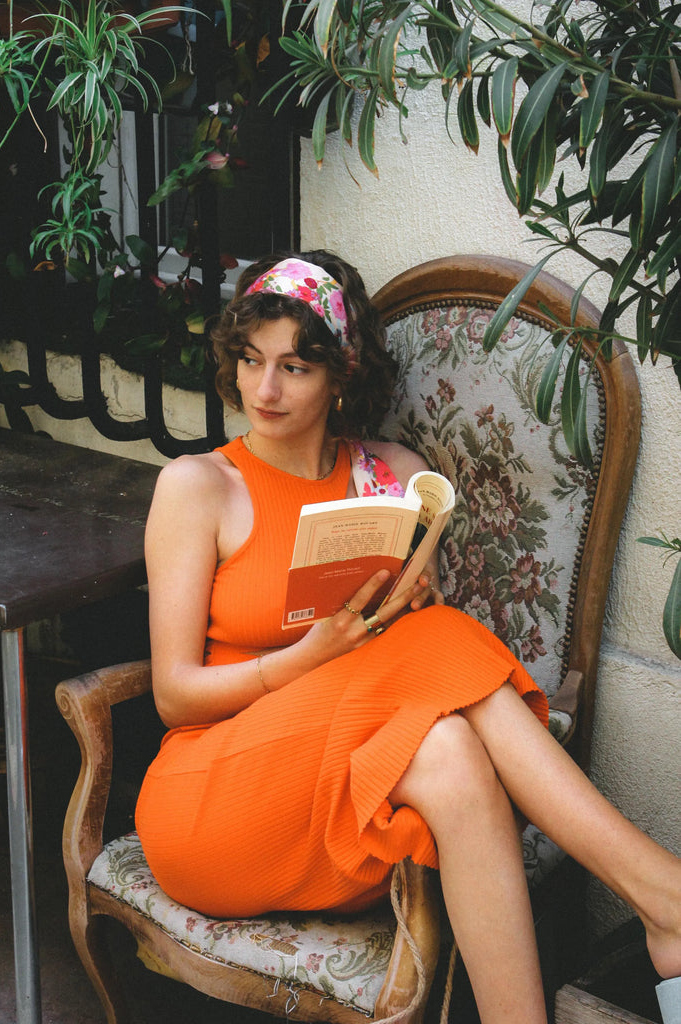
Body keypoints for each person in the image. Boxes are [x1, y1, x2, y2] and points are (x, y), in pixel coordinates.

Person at [135, 251, 681, 1024]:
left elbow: (409, 690)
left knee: (450, 750)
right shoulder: (199, 487)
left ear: (341, 374)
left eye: (294, 366)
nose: (264, 389)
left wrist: (402, 612)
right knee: (444, 641)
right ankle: (666, 901)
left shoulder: (390, 478)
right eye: (252, 360)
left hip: (332, 796)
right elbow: (172, 696)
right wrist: (308, 655)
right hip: (211, 801)